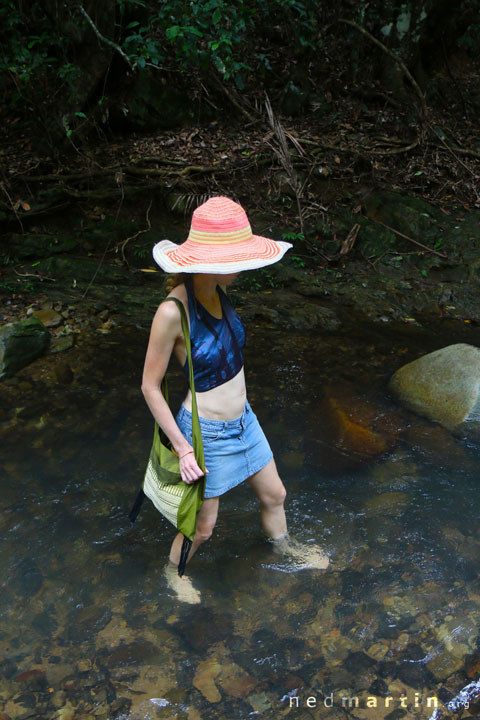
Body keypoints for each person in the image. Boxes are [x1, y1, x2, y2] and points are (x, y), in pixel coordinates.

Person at [141, 197, 329, 603]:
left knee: (275, 494)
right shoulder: (172, 311)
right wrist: (183, 448)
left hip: (245, 421)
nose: (242, 264)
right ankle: (174, 574)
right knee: (202, 528)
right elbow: (149, 387)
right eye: (235, 256)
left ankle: (287, 550)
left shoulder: (221, 292)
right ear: (209, 259)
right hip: (204, 433)